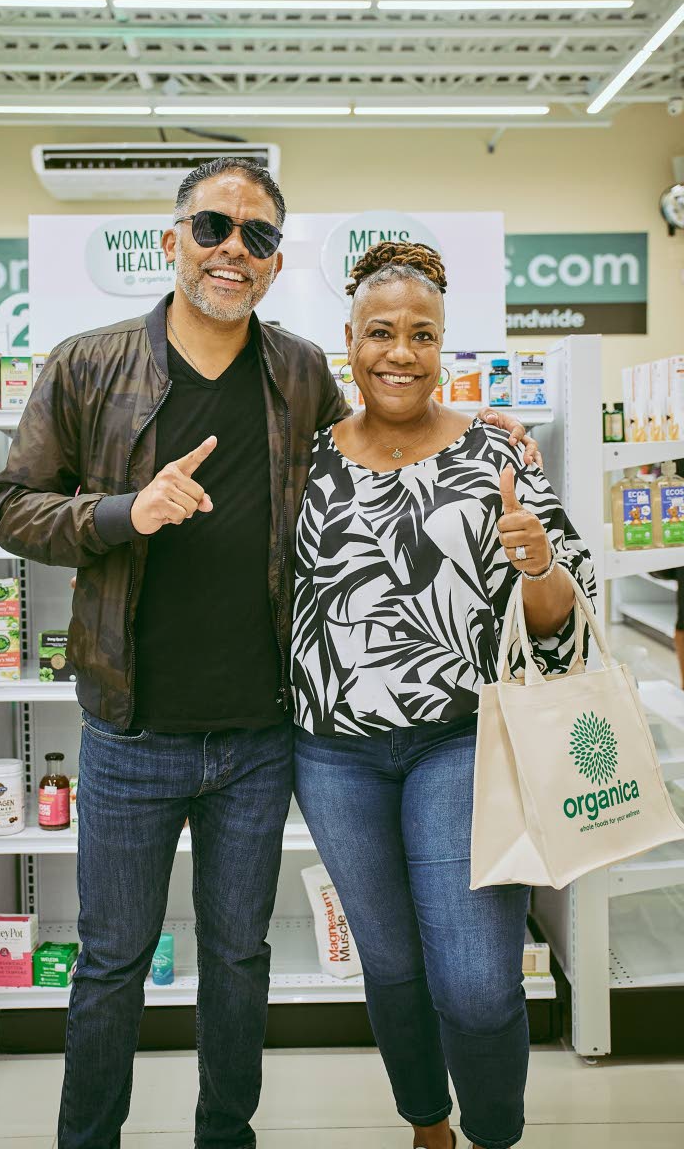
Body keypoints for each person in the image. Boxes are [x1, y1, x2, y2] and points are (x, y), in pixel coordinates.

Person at [0, 159, 540, 1149]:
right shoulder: (86, 364)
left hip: (259, 734)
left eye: (257, 237)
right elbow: (15, 509)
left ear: (278, 262)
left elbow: (381, 448)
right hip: (130, 726)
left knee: (237, 960)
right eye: (211, 228)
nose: (231, 250)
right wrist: (126, 510)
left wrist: (477, 430)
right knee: (112, 960)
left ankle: (224, 1138)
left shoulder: (294, 371)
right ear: (172, 242)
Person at [291, 241, 596, 1149]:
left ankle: (496, 1131)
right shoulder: (303, 463)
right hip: (333, 752)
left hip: (462, 742)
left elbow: (559, 618)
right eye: (380, 332)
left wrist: (535, 559)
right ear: (347, 341)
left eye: (421, 335)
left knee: (474, 978)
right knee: (388, 964)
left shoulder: (496, 449)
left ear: (444, 346)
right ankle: (428, 1123)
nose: (400, 353)